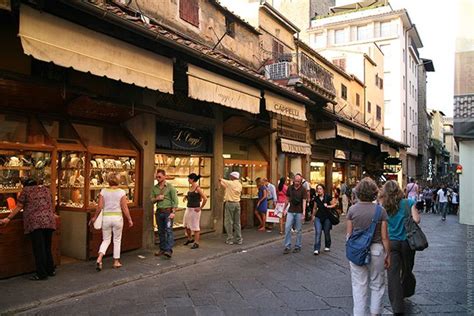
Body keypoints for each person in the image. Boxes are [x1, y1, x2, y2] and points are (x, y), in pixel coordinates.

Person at [346, 178, 390, 316]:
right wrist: (388, 254)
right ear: (374, 193)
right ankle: (375, 313)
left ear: (358, 192)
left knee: (359, 286)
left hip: (357, 250)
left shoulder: (352, 210)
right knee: (377, 284)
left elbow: (349, 235)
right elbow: (384, 237)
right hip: (376, 250)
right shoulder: (380, 211)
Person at [0, 178, 57, 280]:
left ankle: (41, 274)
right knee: (47, 247)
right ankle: (50, 270)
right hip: (49, 221)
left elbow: (18, 206)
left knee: (39, 249)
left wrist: (8, 218)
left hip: (36, 223)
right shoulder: (46, 190)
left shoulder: (26, 191)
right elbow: (50, 203)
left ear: (25, 185)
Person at [379, 180, 420, 314]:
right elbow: (417, 220)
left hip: (391, 243)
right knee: (407, 268)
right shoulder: (408, 203)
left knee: (393, 275)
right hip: (408, 242)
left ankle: (397, 308)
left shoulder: (383, 205)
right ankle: (407, 289)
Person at [90, 172, 133, 270]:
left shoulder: (103, 191)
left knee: (106, 240)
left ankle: (100, 258)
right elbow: (124, 208)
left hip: (106, 218)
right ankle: (116, 261)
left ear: (108, 181)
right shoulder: (121, 192)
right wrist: (129, 219)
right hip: (117, 218)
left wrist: (95, 217)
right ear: (118, 181)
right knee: (117, 240)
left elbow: (100, 207)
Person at [151, 169, 178, 258]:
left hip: (168, 212)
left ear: (164, 176)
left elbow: (175, 201)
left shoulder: (170, 187)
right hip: (159, 212)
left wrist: (173, 212)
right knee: (160, 231)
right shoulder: (155, 188)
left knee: (168, 230)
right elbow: (151, 200)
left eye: (159, 177)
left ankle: (169, 250)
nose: (158, 179)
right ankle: (162, 249)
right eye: (157, 177)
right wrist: (157, 198)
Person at [283, 174, 307, 254]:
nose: (296, 182)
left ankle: (298, 246)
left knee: (299, 229)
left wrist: (304, 212)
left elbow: (304, 201)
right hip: (290, 210)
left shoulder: (303, 189)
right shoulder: (290, 188)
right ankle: (287, 246)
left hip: (299, 211)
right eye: (295, 181)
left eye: (298, 181)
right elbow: (287, 198)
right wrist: (284, 209)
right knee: (287, 228)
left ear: (300, 181)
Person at [183, 173, 207, 249]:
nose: (188, 180)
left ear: (192, 179)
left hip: (195, 209)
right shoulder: (191, 187)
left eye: (189, 179)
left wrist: (200, 208)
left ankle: (196, 242)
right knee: (186, 225)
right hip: (188, 208)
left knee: (195, 226)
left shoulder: (197, 188)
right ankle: (190, 238)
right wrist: (186, 197)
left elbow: (205, 198)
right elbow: (191, 195)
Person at [311, 184, 336, 255]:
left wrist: (328, 206)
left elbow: (334, 204)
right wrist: (313, 216)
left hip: (327, 217)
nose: (319, 190)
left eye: (320, 189)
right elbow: (315, 208)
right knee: (318, 232)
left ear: (323, 190)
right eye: (318, 189)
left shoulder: (327, 197)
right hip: (318, 217)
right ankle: (316, 248)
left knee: (326, 232)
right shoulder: (316, 198)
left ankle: (327, 245)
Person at [220, 171, 243, 245]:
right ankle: (239, 239)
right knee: (237, 222)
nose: (230, 177)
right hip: (237, 203)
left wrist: (220, 178)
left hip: (230, 203)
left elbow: (221, 180)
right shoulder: (239, 184)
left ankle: (230, 239)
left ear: (233, 177)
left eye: (231, 176)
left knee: (228, 222)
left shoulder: (230, 183)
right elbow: (225, 186)